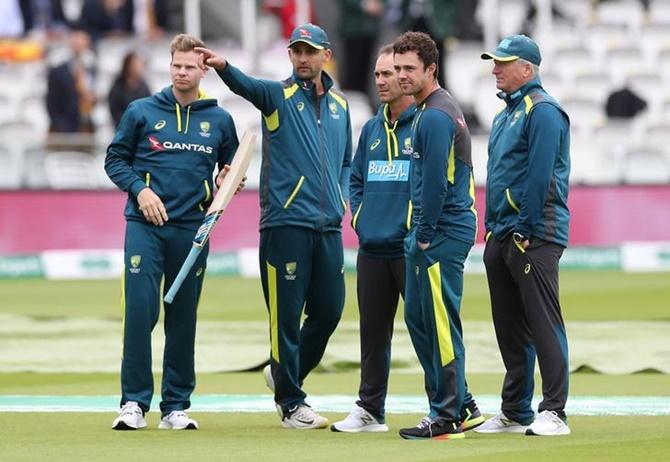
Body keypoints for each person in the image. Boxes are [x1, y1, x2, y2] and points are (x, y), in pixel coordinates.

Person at [197, 23, 352, 430]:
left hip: (329, 226)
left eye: (309, 51)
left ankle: (284, 373)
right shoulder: (276, 96)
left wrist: (344, 194)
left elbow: (347, 160)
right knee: (285, 316)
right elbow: (244, 84)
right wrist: (222, 66)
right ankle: (291, 403)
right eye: (296, 51)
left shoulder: (340, 106)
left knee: (331, 310)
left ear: (325, 55)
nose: (302, 58)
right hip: (285, 223)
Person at [104, 33, 239, 431]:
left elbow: (230, 169)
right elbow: (114, 160)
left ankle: (175, 405)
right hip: (145, 229)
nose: (182, 72)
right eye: (177, 65)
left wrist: (229, 178)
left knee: (182, 318)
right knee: (140, 312)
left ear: (203, 70)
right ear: (170, 66)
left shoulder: (219, 120)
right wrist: (140, 189)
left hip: (192, 231)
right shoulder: (142, 111)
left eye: (190, 66)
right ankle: (133, 402)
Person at [476, 34, 571, 437]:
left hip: (534, 233)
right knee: (510, 328)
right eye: (494, 61)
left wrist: (527, 228)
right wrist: (493, 227)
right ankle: (516, 410)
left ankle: (555, 411)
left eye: (504, 62)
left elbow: (539, 175)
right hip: (503, 232)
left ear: (527, 69)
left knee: (543, 323)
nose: (495, 68)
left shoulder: (544, 110)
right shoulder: (505, 114)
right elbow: (500, 176)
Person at [393, 31, 479, 440]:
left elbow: (436, 185)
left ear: (431, 69)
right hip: (439, 229)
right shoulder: (431, 111)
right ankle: (461, 402)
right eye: (398, 68)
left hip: (441, 232)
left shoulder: (436, 116)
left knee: (439, 323)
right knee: (419, 318)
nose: (402, 76)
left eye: (410, 69)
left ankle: (446, 416)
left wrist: (423, 235)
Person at [330, 44, 415, 433]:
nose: (381, 80)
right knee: (372, 335)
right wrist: (360, 217)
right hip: (373, 248)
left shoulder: (427, 122)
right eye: (378, 74)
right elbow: (356, 176)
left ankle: (448, 406)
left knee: (428, 331)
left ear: (405, 75)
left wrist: (412, 227)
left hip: (412, 248)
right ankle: (370, 410)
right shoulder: (373, 127)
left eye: (389, 73)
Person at [46, 29, 97, 135]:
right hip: (64, 125)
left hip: (86, 124)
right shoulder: (58, 70)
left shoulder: (92, 68)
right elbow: (51, 100)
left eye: (81, 42)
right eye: (76, 41)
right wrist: (58, 124)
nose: (78, 45)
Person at [336, 0, 385, 104]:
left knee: (367, 72)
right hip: (353, 28)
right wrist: (363, 4)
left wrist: (380, 4)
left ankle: (363, 105)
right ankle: (350, 105)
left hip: (371, 29)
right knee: (352, 71)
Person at [108, 51, 151, 127]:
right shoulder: (118, 86)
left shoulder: (144, 86)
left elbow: (149, 107)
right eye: (135, 65)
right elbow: (114, 109)